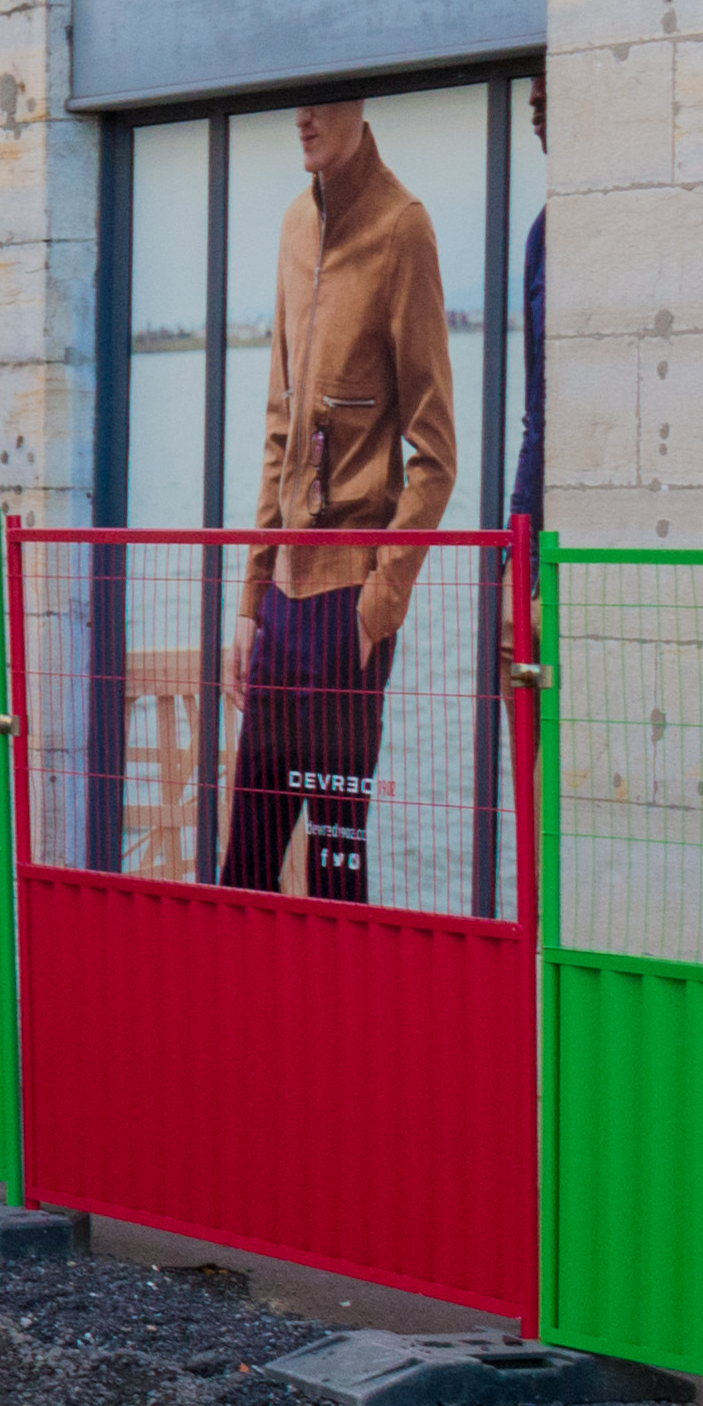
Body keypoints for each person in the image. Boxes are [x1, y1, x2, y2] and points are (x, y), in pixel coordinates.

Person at [220, 99, 459, 899]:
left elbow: (436, 454)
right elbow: (280, 427)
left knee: (333, 874)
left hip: (347, 607)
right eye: (294, 100)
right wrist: (250, 601)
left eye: (323, 100)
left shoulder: (403, 229)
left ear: (361, 105)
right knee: (243, 871)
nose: (300, 118)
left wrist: (380, 599)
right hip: (283, 605)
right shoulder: (294, 225)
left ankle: (337, 1026)